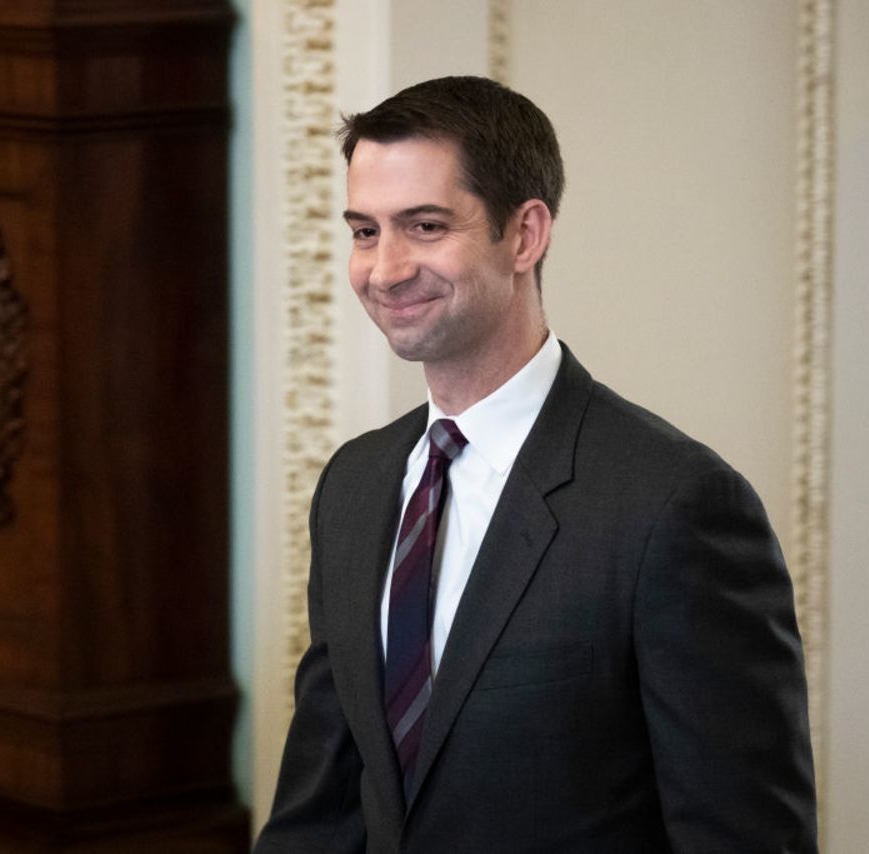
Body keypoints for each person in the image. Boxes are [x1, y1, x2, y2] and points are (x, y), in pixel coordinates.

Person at [254, 76, 817, 853]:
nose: (384, 270)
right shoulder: (354, 484)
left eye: (423, 226)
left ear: (525, 235)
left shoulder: (676, 506)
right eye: (363, 231)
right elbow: (320, 813)